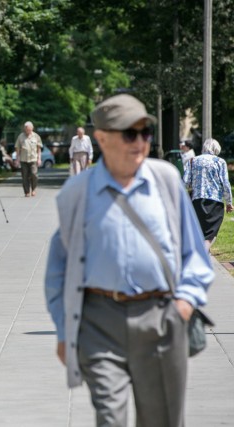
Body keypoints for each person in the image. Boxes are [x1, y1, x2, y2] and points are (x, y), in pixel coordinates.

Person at [45, 94, 213, 427]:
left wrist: (184, 303)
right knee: (110, 418)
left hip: (161, 317)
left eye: (145, 133)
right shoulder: (76, 193)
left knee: (162, 419)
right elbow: (58, 269)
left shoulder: (165, 180)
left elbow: (194, 252)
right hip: (99, 322)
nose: (140, 142)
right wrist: (65, 331)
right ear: (102, 138)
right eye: (129, 134)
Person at [183, 138, 233, 251]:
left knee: (199, 231)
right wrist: (229, 202)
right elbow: (225, 184)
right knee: (211, 233)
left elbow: (185, 182)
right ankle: (202, 254)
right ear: (216, 148)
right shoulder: (220, 162)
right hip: (215, 201)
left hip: (196, 200)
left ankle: (201, 254)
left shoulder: (192, 161)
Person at [14, 121, 42, 197]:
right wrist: (17, 159)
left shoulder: (36, 136)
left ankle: (33, 189)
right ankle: (27, 191)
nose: (28, 131)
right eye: (26, 130)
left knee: (34, 174)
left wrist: (39, 158)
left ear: (32, 128)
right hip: (23, 159)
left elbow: (39, 149)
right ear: (24, 129)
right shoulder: (21, 136)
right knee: (25, 176)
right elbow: (17, 148)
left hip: (33, 159)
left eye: (29, 130)